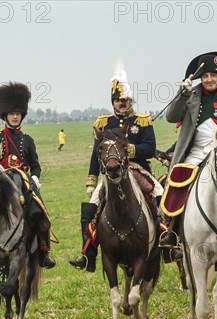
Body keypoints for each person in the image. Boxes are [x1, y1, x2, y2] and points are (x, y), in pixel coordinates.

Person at [158, 51, 217, 251]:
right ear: (200, 78)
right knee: (175, 181)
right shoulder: (191, 95)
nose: (209, 79)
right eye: (205, 76)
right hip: (197, 150)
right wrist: (181, 94)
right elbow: (171, 116)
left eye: (213, 75)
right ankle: (172, 229)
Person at [69, 69, 163, 272]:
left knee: (160, 194)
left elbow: (150, 148)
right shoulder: (104, 124)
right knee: (91, 206)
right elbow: (97, 154)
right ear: (113, 102)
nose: (122, 103)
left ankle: (166, 243)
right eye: (118, 100)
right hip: (111, 174)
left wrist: (132, 150)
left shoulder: (143, 121)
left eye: (126, 99)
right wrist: (92, 181)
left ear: (131, 101)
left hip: (138, 169)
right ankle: (88, 253)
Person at [0, 82, 56, 268]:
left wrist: (35, 177)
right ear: (5, 115)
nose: (15, 116)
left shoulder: (28, 141)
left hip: (23, 182)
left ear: (22, 115)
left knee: (40, 211)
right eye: (12, 113)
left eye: (18, 113)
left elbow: (36, 166)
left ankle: (44, 251)